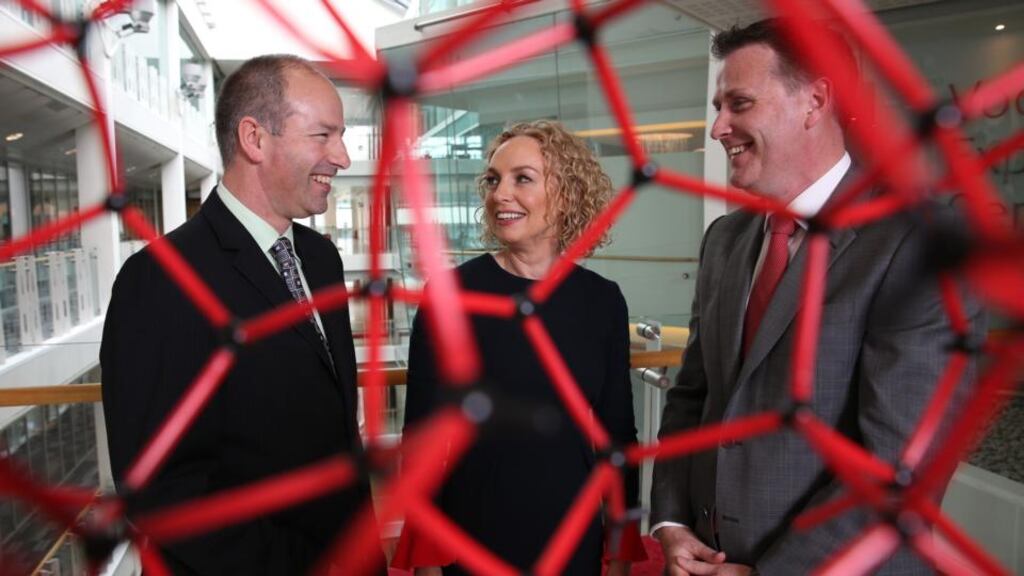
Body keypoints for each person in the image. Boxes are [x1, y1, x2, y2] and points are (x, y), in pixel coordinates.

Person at [650, 19, 984, 575]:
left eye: (739, 103)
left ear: (815, 100)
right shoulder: (726, 241)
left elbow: (898, 467)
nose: (718, 128)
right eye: (718, 106)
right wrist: (672, 522)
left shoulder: (918, 242)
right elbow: (693, 399)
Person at [101, 55, 382, 574]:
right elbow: (164, 491)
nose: (341, 157)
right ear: (254, 139)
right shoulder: (160, 281)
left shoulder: (321, 259)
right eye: (323, 135)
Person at [392, 120, 645, 575]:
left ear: (565, 193)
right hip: (473, 535)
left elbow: (618, 436)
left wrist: (621, 549)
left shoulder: (603, 300)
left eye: (521, 178)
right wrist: (426, 561)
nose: (499, 194)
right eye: (493, 180)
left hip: (573, 536)